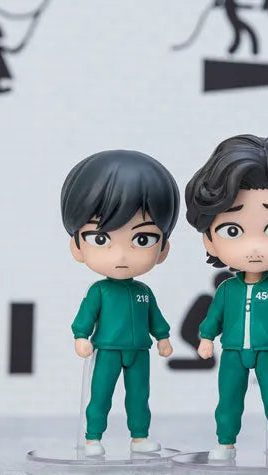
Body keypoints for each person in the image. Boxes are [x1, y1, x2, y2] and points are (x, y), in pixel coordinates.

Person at [184, 134, 268, 463]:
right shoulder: (227, 289)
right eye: (233, 230)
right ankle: (225, 442)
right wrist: (206, 338)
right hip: (232, 351)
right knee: (228, 401)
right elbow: (213, 317)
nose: (254, 247)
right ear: (209, 239)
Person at [61, 150, 180, 457]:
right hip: (108, 350)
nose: (121, 255)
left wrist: (163, 337)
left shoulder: (144, 291)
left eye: (142, 239)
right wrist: (80, 337)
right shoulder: (99, 291)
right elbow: (85, 317)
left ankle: (139, 437)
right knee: (101, 394)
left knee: (139, 396)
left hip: (139, 350)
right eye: (101, 239)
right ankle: (92, 437)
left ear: (163, 248)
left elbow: (155, 318)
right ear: (77, 246)